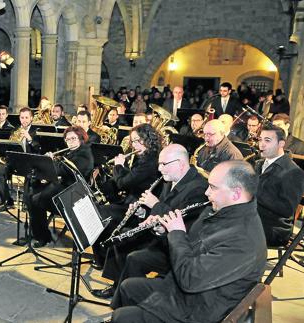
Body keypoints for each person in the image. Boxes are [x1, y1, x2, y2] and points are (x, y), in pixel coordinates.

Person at [109, 160, 266, 323]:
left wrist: (177, 233)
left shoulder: (244, 241)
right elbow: (190, 244)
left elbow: (190, 280)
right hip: (186, 292)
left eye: (213, 187)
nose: (206, 192)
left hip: (199, 310)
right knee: (127, 288)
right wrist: (166, 232)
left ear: (236, 193)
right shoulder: (219, 211)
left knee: (122, 317)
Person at [92, 144, 208, 299]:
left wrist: (155, 204)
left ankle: (131, 296)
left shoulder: (198, 188)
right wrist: (142, 213)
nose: (159, 169)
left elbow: (182, 222)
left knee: (134, 256)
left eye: (163, 164)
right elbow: (158, 212)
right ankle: (118, 287)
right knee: (120, 238)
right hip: (159, 233)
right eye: (159, 164)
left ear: (180, 163)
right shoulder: (170, 179)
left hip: (175, 244)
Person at [92, 123, 162, 270]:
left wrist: (118, 166)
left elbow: (124, 183)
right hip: (131, 201)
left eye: (138, 140)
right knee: (100, 211)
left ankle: (102, 257)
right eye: (133, 141)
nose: (135, 145)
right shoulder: (144, 156)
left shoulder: (150, 162)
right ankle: (102, 257)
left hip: (141, 210)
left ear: (148, 139)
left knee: (100, 214)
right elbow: (130, 178)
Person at [27, 126, 94, 247]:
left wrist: (49, 162)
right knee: (32, 190)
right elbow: (62, 168)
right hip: (64, 187)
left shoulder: (84, 154)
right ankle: (38, 231)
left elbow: (63, 170)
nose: (70, 142)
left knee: (35, 201)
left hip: (73, 194)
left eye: (73, 138)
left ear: (81, 138)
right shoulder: (74, 151)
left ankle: (42, 236)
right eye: (68, 139)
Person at [255, 124, 304, 246]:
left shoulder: (293, 171)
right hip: (255, 218)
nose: (261, 144)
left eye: (267, 140)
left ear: (281, 144)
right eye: (260, 139)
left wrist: (253, 193)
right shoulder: (259, 163)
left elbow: (287, 209)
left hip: (274, 228)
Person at [0, 107, 39, 209]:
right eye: (22, 117)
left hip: (29, 162)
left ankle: (27, 202)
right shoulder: (15, 129)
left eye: (26, 117)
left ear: (31, 118)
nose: (24, 120)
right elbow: (9, 145)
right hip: (15, 161)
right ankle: (7, 200)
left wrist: (29, 139)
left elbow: (38, 149)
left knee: (29, 174)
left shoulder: (36, 131)